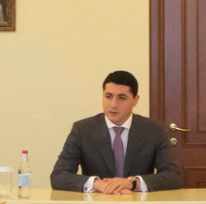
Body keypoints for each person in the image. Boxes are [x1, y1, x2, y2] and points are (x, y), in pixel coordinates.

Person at [49, 70, 183, 194]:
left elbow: (174, 176)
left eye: (122, 98)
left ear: (135, 100)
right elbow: (58, 175)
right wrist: (97, 184)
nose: (113, 104)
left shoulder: (155, 130)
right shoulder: (82, 130)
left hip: (137, 203)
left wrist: (132, 183)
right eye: (108, 96)